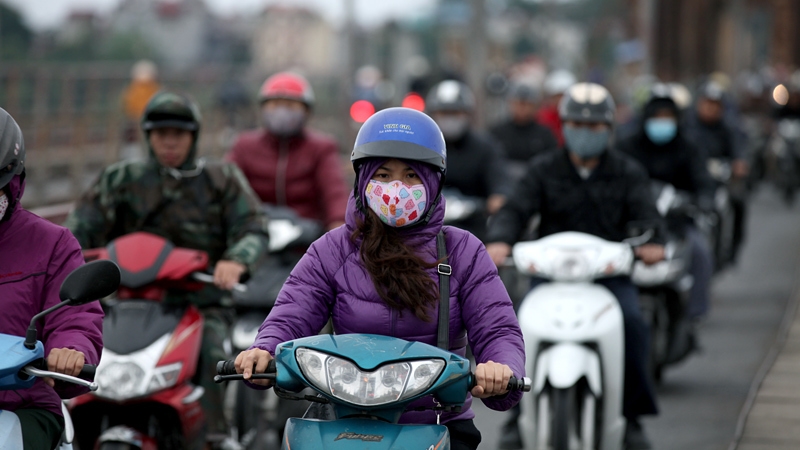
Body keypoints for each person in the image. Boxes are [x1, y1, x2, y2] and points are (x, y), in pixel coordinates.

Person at [234, 107, 525, 450]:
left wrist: (501, 368)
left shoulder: (463, 251)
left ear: (434, 182)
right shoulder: (333, 249)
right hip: (344, 425)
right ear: (363, 180)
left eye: (411, 176)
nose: (396, 189)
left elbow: (497, 328)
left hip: (437, 424)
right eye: (383, 175)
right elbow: (293, 310)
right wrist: (264, 349)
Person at [64, 92, 270, 449]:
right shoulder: (121, 179)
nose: (169, 141)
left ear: (194, 136)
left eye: (179, 133)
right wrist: (73, 263)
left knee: (212, 355)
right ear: (148, 136)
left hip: (199, 305)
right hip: (124, 303)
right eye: (161, 133)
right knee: (77, 349)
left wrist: (236, 260)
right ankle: (70, 431)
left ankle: (215, 437)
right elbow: (77, 230)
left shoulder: (220, 179)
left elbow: (252, 227)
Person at [485, 83, 663, 450]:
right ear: (564, 127)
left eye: (595, 126)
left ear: (609, 129)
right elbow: (515, 209)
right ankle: (519, 416)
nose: (586, 133)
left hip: (607, 279)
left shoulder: (628, 172)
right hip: (550, 277)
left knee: (633, 325)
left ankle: (630, 417)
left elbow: (649, 216)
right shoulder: (543, 168)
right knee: (517, 328)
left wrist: (653, 243)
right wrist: (501, 238)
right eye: (577, 125)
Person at [0, 107, 104, 449]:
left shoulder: (52, 243)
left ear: (13, 180)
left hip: (22, 404)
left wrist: (70, 349)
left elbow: (75, 315)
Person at [617, 84, 716, 321]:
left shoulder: (689, 148)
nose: (662, 122)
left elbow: (704, 183)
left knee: (700, 253)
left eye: (667, 117)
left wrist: (701, 201)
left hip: (677, 223)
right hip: (634, 227)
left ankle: (694, 312)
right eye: (657, 117)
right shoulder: (627, 147)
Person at [227, 72, 349, 231]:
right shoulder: (244, 146)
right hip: (256, 232)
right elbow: (227, 189)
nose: (282, 111)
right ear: (263, 108)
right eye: (275, 104)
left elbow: (335, 194)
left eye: (290, 105)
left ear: (306, 111)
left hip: (306, 236)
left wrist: (338, 230)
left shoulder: (321, 148)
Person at [426, 79, 511, 240]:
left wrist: (499, 196)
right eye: (444, 113)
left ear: (468, 114)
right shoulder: (422, 145)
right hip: (425, 225)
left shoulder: (485, 146)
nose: (450, 119)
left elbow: (500, 178)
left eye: (455, 113)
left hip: (472, 227)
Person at [684, 80, 750, 262]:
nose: (710, 109)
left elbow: (739, 148)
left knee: (738, 201)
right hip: (693, 180)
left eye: (715, 105)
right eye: (707, 103)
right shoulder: (687, 126)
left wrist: (739, 163)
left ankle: (733, 247)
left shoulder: (727, 127)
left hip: (720, 180)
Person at [489, 82, 559, 182]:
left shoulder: (545, 134)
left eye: (526, 104)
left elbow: (552, 163)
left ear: (535, 106)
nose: (522, 108)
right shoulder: (497, 132)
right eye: (518, 103)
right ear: (510, 104)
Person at [537, 69, 577, 146]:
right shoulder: (542, 117)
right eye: (557, 96)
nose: (560, 100)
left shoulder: (576, 117)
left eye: (563, 96)